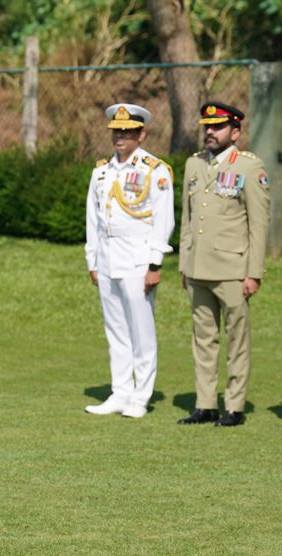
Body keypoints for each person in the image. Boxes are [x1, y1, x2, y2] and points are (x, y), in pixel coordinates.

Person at [178, 102, 270, 427]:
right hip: (198, 268)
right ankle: (205, 404)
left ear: (235, 132)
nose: (210, 132)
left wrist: (254, 273)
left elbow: (258, 225)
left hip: (232, 270)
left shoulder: (248, 167)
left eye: (217, 127)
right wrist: (183, 265)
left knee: (236, 339)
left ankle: (234, 406)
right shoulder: (194, 165)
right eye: (207, 127)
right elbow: (188, 219)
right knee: (203, 338)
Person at [84, 103, 175, 419]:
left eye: (128, 131)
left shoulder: (154, 169)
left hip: (138, 258)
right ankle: (120, 391)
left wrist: (155, 264)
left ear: (141, 134)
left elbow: (164, 219)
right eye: (116, 131)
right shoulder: (102, 171)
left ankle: (141, 396)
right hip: (108, 258)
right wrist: (93, 260)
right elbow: (93, 220)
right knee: (116, 329)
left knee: (141, 330)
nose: (120, 136)